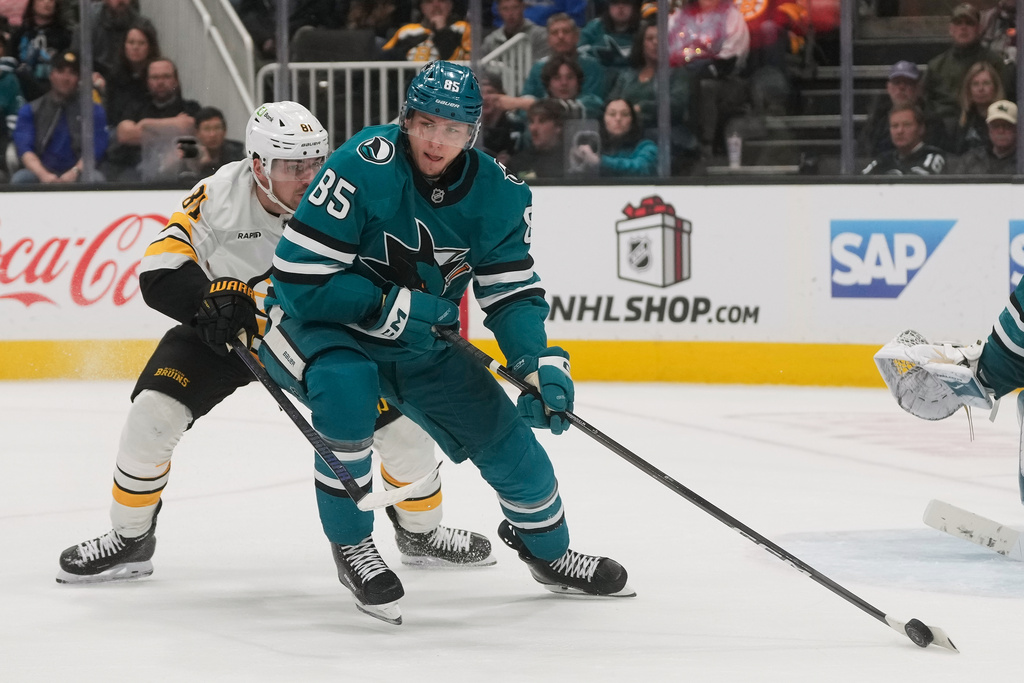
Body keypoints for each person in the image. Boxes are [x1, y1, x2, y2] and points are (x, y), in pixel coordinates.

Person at [56, 100, 495, 586]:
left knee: (404, 430)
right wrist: (210, 300)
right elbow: (159, 268)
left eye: (315, 163)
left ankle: (421, 533)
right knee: (152, 415)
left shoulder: (346, 192)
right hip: (231, 331)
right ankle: (131, 537)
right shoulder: (220, 194)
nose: (308, 178)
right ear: (258, 165)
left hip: (318, 335)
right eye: (292, 167)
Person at [257, 61, 634, 624]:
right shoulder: (361, 164)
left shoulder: (500, 194)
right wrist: (386, 306)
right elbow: (297, 278)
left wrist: (534, 361)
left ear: (473, 133)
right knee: (345, 387)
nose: (437, 141)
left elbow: (510, 293)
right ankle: (353, 546)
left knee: (511, 447)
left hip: (419, 342)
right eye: (426, 124)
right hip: (323, 326)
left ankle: (549, 554)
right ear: (406, 119)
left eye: (453, 129)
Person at [668, 0, 750, 159]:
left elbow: (732, 57)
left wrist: (701, 64)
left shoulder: (732, 17)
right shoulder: (678, 18)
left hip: (723, 81)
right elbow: (669, 50)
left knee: (703, 86)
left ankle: (704, 145)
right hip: (682, 75)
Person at [11, 51, 108, 183]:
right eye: (61, 71)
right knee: (21, 179)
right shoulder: (31, 110)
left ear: (78, 78)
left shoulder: (93, 111)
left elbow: (96, 149)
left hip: (79, 172)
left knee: (96, 179)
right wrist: (44, 175)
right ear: (51, 75)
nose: (66, 78)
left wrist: (75, 172)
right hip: (41, 173)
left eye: (72, 73)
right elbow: (24, 148)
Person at [102, 57, 200, 182]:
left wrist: (146, 125)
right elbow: (124, 135)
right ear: (148, 82)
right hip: (135, 172)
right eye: (155, 77)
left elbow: (189, 128)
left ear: (176, 81)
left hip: (177, 173)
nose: (160, 82)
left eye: (166, 77)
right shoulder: (135, 106)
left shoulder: (190, 107)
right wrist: (174, 125)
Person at [921, 3, 1015, 129]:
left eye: (969, 23)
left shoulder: (994, 62)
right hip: (943, 128)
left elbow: (1004, 99)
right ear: (951, 29)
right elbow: (925, 103)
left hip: (984, 126)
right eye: (958, 23)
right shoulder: (936, 65)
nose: (963, 28)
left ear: (979, 28)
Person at [856, 60, 947, 159]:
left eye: (908, 83)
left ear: (918, 88)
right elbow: (863, 152)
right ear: (889, 88)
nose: (901, 87)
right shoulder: (877, 118)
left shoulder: (932, 121)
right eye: (897, 82)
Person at [568, 97, 656, 176]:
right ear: (603, 120)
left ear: (632, 120)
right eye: (612, 114)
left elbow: (641, 168)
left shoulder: (646, 146)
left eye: (625, 114)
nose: (618, 118)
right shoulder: (595, 146)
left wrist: (600, 161)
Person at [99, 19, 160, 128]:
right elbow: (111, 114)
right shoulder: (114, 76)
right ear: (124, 46)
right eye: (131, 43)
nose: (135, 47)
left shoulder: (159, 73)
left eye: (141, 43)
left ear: (150, 47)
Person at [8, 0, 73, 101]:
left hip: (53, 94)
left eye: (51, 0)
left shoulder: (65, 36)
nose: (47, 2)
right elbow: (11, 61)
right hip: (21, 93)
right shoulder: (20, 34)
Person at [861, 104, 947, 176]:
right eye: (895, 126)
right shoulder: (884, 159)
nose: (900, 131)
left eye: (907, 125)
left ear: (921, 129)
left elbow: (917, 183)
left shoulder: (933, 155)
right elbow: (860, 181)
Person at [382, 0, 471, 62]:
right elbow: (385, 57)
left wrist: (442, 31)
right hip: (412, 80)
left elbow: (468, 57)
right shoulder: (406, 31)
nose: (436, 5)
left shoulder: (463, 28)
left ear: (451, 5)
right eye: (429, 1)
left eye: (442, 1)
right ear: (422, 7)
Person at [578, 0, 639, 89]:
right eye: (615, 3)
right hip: (597, 82)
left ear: (633, 7)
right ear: (608, 6)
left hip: (632, 84)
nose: (620, 7)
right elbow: (579, 52)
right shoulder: (594, 27)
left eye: (626, 3)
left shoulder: (643, 30)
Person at [950, 61, 1004, 156]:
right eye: (975, 84)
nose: (981, 89)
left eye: (986, 83)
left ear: (995, 88)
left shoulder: (1005, 119)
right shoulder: (961, 121)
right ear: (968, 90)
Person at [508, 97, 568, 179]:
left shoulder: (572, 161)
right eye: (531, 122)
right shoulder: (519, 162)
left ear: (558, 126)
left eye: (542, 121)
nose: (533, 128)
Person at [954, 99, 1018, 175]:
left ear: (1017, 129)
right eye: (995, 126)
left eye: (1006, 126)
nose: (1001, 131)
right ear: (989, 129)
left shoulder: (1021, 161)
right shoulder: (971, 160)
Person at [481, 0, 548, 61]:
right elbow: (481, 66)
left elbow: (541, 66)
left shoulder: (540, 35)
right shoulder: (491, 41)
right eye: (505, 9)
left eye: (515, 8)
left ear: (522, 7)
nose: (510, 13)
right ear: (499, 10)